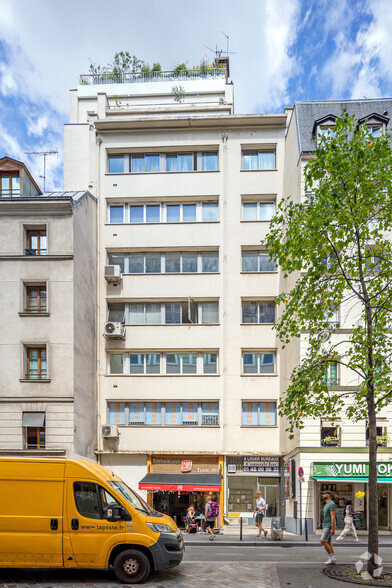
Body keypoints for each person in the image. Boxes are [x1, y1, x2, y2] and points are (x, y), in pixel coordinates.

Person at [320, 490, 337, 565]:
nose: (323, 495)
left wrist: (332, 528)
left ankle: (331, 558)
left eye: (324, 494)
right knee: (328, 542)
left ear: (329, 495)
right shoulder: (326, 504)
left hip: (328, 525)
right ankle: (333, 558)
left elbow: (333, 517)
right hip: (325, 524)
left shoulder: (331, 504)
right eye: (322, 494)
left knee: (322, 540)